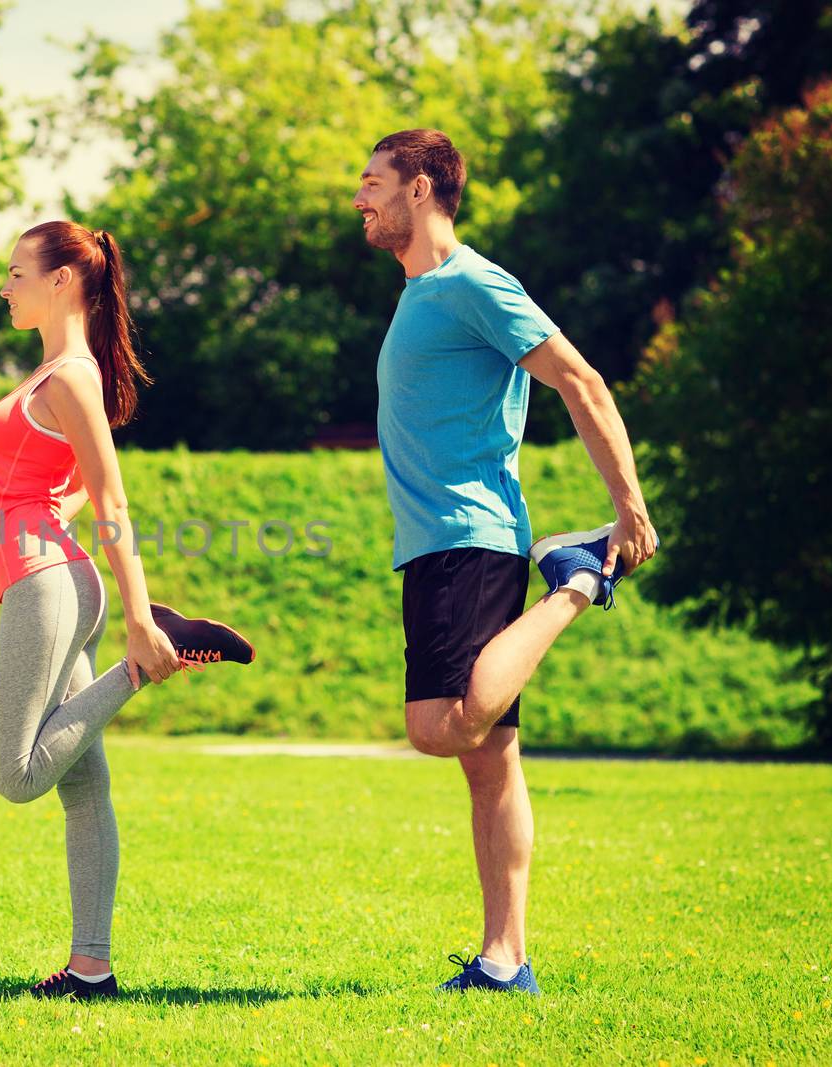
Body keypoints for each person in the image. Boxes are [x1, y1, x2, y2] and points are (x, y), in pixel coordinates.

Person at [351, 130, 660, 994]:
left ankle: (579, 577)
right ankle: (504, 960)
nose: (359, 198)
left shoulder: (473, 283)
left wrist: (629, 506)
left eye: (372, 183)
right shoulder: (421, 294)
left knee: (442, 727)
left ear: (420, 190)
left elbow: (582, 380)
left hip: (469, 536)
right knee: (490, 763)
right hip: (441, 542)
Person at [0, 220, 255, 1000]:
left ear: (63, 279)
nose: (6, 286)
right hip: (52, 578)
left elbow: (113, 498)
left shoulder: (70, 375)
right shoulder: (51, 378)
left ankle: (149, 655)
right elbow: (54, 480)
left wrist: (138, 620)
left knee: (19, 775)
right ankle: (91, 966)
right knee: (84, 789)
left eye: (17, 273)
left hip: (47, 583)